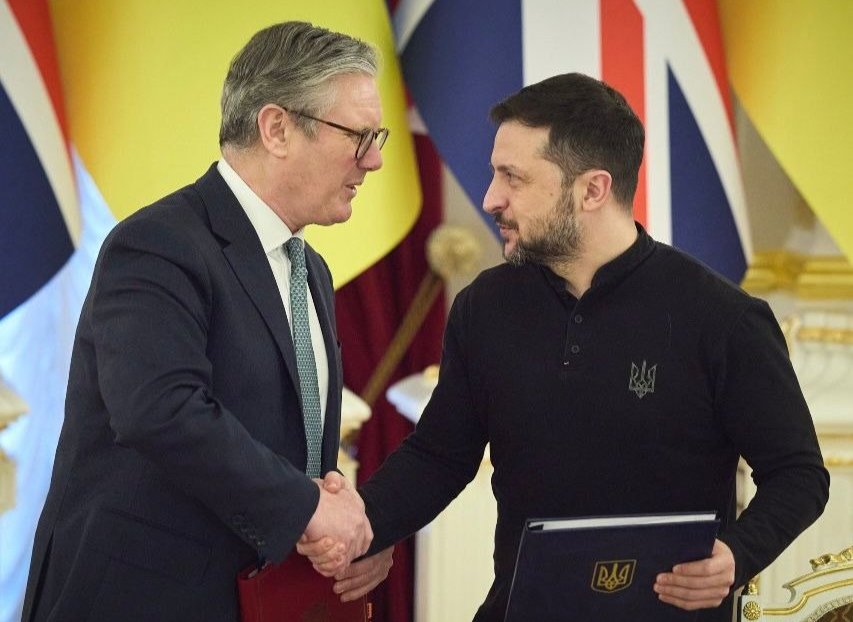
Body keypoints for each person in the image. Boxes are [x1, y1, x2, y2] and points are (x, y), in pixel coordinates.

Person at [300, 73, 830, 621]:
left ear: (592, 190)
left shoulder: (724, 318)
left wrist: (736, 556)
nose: (491, 199)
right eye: (495, 173)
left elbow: (798, 474)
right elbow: (440, 456)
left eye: (513, 177)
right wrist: (366, 526)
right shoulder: (485, 306)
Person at [21, 21, 394, 622]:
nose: (374, 161)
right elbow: (158, 409)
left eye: (377, 138)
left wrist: (347, 523)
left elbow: (288, 445)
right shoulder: (158, 243)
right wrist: (307, 509)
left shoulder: (311, 270)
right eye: (358, 136)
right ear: (276, 128)